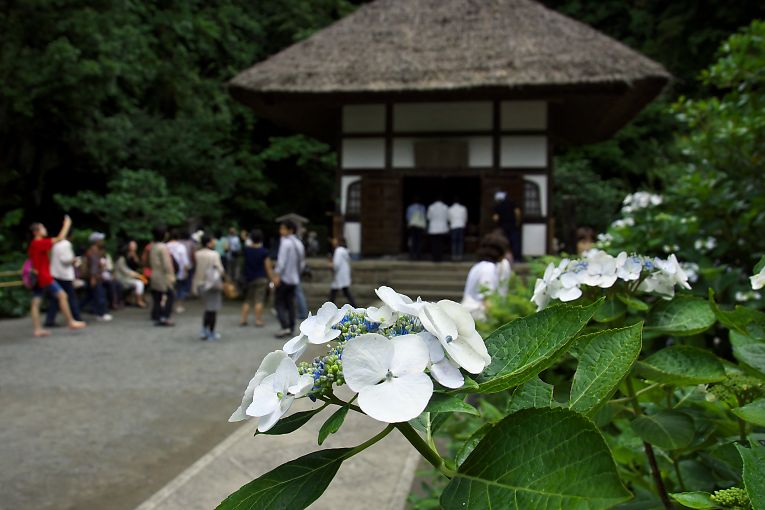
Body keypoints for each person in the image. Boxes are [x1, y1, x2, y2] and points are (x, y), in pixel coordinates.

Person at [27, 216, 86, 336]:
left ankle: (38, 329)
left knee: (36, 302)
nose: (45, 230)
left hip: (38, 276)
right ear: (37, 231)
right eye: (42, 228)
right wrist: (67, 224)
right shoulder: (39, 243)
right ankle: (70, 321)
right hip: (44, 276)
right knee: (62, 295)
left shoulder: (34, 244)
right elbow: (59, 238)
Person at [461, 234, 508, 320]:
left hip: (468, 312)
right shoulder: (489, 269)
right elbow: (487, 299)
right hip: (477, 316)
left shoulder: (478, 266)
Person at [272, 220, 305, 338]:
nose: (281, 231)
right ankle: (291, 327)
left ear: (290, 230)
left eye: (283, 229)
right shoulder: (299, 243)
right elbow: (302, 263)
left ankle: (284, 326)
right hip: (294, 278)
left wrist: (276, 275)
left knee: (279, 303)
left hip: (285, 278)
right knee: (290, 303)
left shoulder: (285, 242)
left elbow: (281, 261)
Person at [44, 230, 82, 327]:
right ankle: (76, 317)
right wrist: (74, 260)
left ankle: (50, 319)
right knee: (70, 297)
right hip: (65, 275)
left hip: (55, 273)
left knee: (56, 299)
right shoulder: (66, 244)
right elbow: (65, 260)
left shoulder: (56, 244)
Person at [193, 234, 225, 341]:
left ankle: (204, 330)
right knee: (212, 311)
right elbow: (220, 270)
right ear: (208, 242)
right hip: (212, 285)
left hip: (200, 284)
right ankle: (211, 332)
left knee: (207, 309)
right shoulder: (214, 254)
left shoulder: (197, 254)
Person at [240, 229, 273, 327]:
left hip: (249, 277)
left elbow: (244, 239)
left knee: (247, 300)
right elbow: (268, 266)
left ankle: (243, 319)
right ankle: (258, 320)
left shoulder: (246, 250)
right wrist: (272, 278)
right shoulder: (264, 252)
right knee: (259, 300)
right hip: (261, 277)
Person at [80, 232, 112, 322]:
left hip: (92, 277)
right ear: (96, 241)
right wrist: (93, 278)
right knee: (100, 295)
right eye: (100, 240)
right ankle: (101, 313)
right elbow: (94, 266)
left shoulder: (93, 251)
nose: (102, 241)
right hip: (94, 277)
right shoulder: (94, 251)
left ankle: (76, 312)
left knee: (88, 296)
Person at [149, 226, 176, 326]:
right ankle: (165, 317)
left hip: (154, 273)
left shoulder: (153, 246)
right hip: (163, 275)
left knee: (157, 297)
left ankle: (156, 315)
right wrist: (171, 276)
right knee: (170, 295)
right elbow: (167, 264)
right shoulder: (163, 247)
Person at [115, 241, 147, 308]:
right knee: (139, 283)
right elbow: (126, 271)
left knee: (141, 280)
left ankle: (137, 299)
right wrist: (139, 275)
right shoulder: (121, 259)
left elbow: (136, 265)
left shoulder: (123, 258)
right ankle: (139, 301)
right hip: (121, 278)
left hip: (125, 277)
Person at [492, 191, 522, 262]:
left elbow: (495, 218)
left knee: (503, 242)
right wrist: (517, 222)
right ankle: (517, 258)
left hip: (503, 227)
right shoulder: (511, 203)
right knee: (515, 242)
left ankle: (503, 258)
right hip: (513, 226)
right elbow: (517, 212)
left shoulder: (498, 206)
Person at [167, 229, 191, 314]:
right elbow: (185, 261)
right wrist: (186, 271)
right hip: (180, 271)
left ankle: (169, 305)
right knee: (180, 289)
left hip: (169, 271)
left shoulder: (166, 246)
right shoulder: (181, 247)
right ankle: (178, 306)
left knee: (170, 289)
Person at [328, 237, 357, 307]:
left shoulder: (338, 251)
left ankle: (328, 308)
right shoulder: (344, 250)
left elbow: (336, 264)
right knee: (344, 291)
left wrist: (330, 265)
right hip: (343, 275)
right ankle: (355, 306)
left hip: (339, 275)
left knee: (334, 293)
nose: (332, 241)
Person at [427, 196, 449, 262]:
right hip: (442, 228)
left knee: (434, 244)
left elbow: (428, 217)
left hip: (433, 228)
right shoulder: (445, 207)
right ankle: (440, 258)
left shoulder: (431, 207)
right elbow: (448, 217)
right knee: (440, 244)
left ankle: (434, 258)